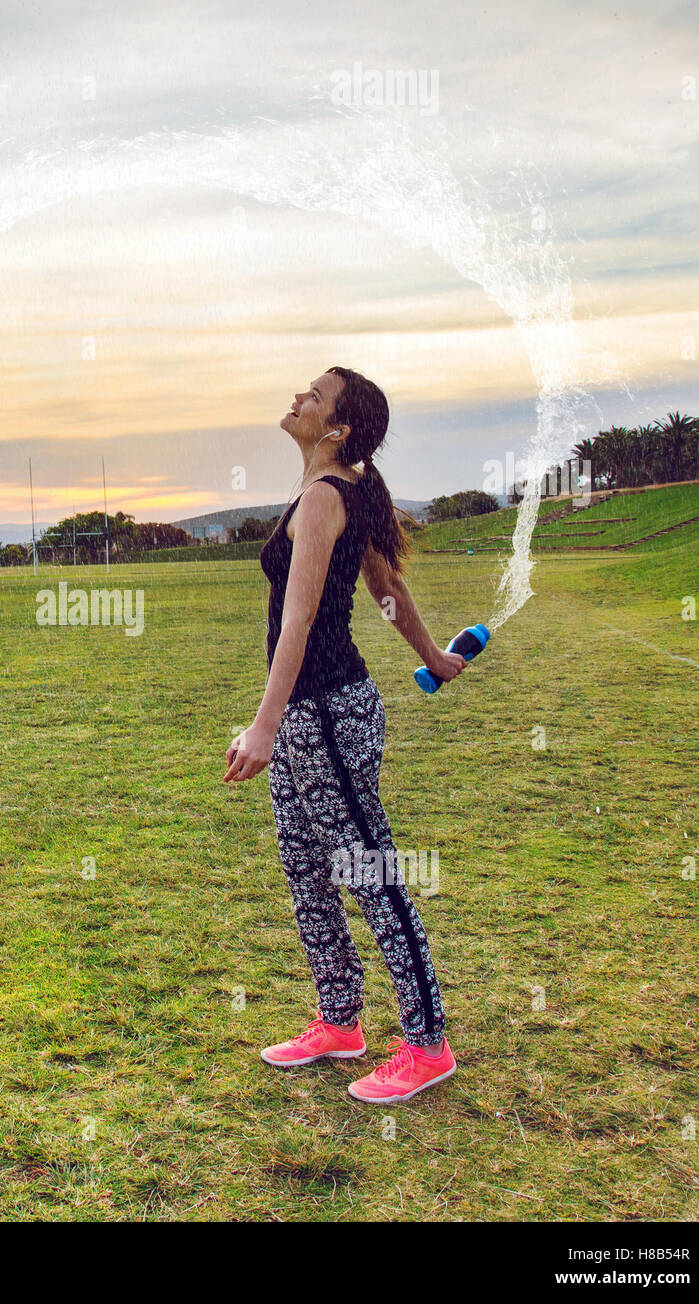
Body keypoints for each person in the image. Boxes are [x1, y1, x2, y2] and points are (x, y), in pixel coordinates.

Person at [223, 366, 464, 1103]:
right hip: (307, 714)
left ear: (337, 428)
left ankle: (427, 1045)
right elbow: (390, 590)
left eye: (315, 396)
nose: (298, 396)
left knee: (370, 872)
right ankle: (340, 1021)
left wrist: (265, 723)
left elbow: (298, 621)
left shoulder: (328, 499)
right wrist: (434, 658)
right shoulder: (333, 493)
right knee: (306, 868)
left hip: (328, 712)